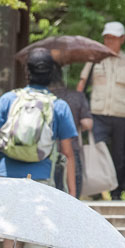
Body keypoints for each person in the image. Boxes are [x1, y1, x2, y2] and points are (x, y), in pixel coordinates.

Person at [0, 48, 78, 248]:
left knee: (10, 225)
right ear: (52, 74)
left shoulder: (8, 100)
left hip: (8, 173)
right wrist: (72, 191)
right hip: (40, 176)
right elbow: (67, 153)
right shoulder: (59, 106)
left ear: (26, 72)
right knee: (36, 238)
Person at [77, 21, 125, 200]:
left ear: (122, 39)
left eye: (113, 38)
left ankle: (116, 191)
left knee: (119, 155)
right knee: (97, 149)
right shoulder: (94, 59)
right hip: (97, 113)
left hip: (122, 114)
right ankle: (96, 189)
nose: (109, 41)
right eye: (107, 38)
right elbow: (82, 83)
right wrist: (78, 107)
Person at [50, 62, 92, 199]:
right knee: (72, 198)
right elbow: (87, 123)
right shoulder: (77, 97)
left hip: (47, 152)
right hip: (71, 150)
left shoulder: (45, 98)